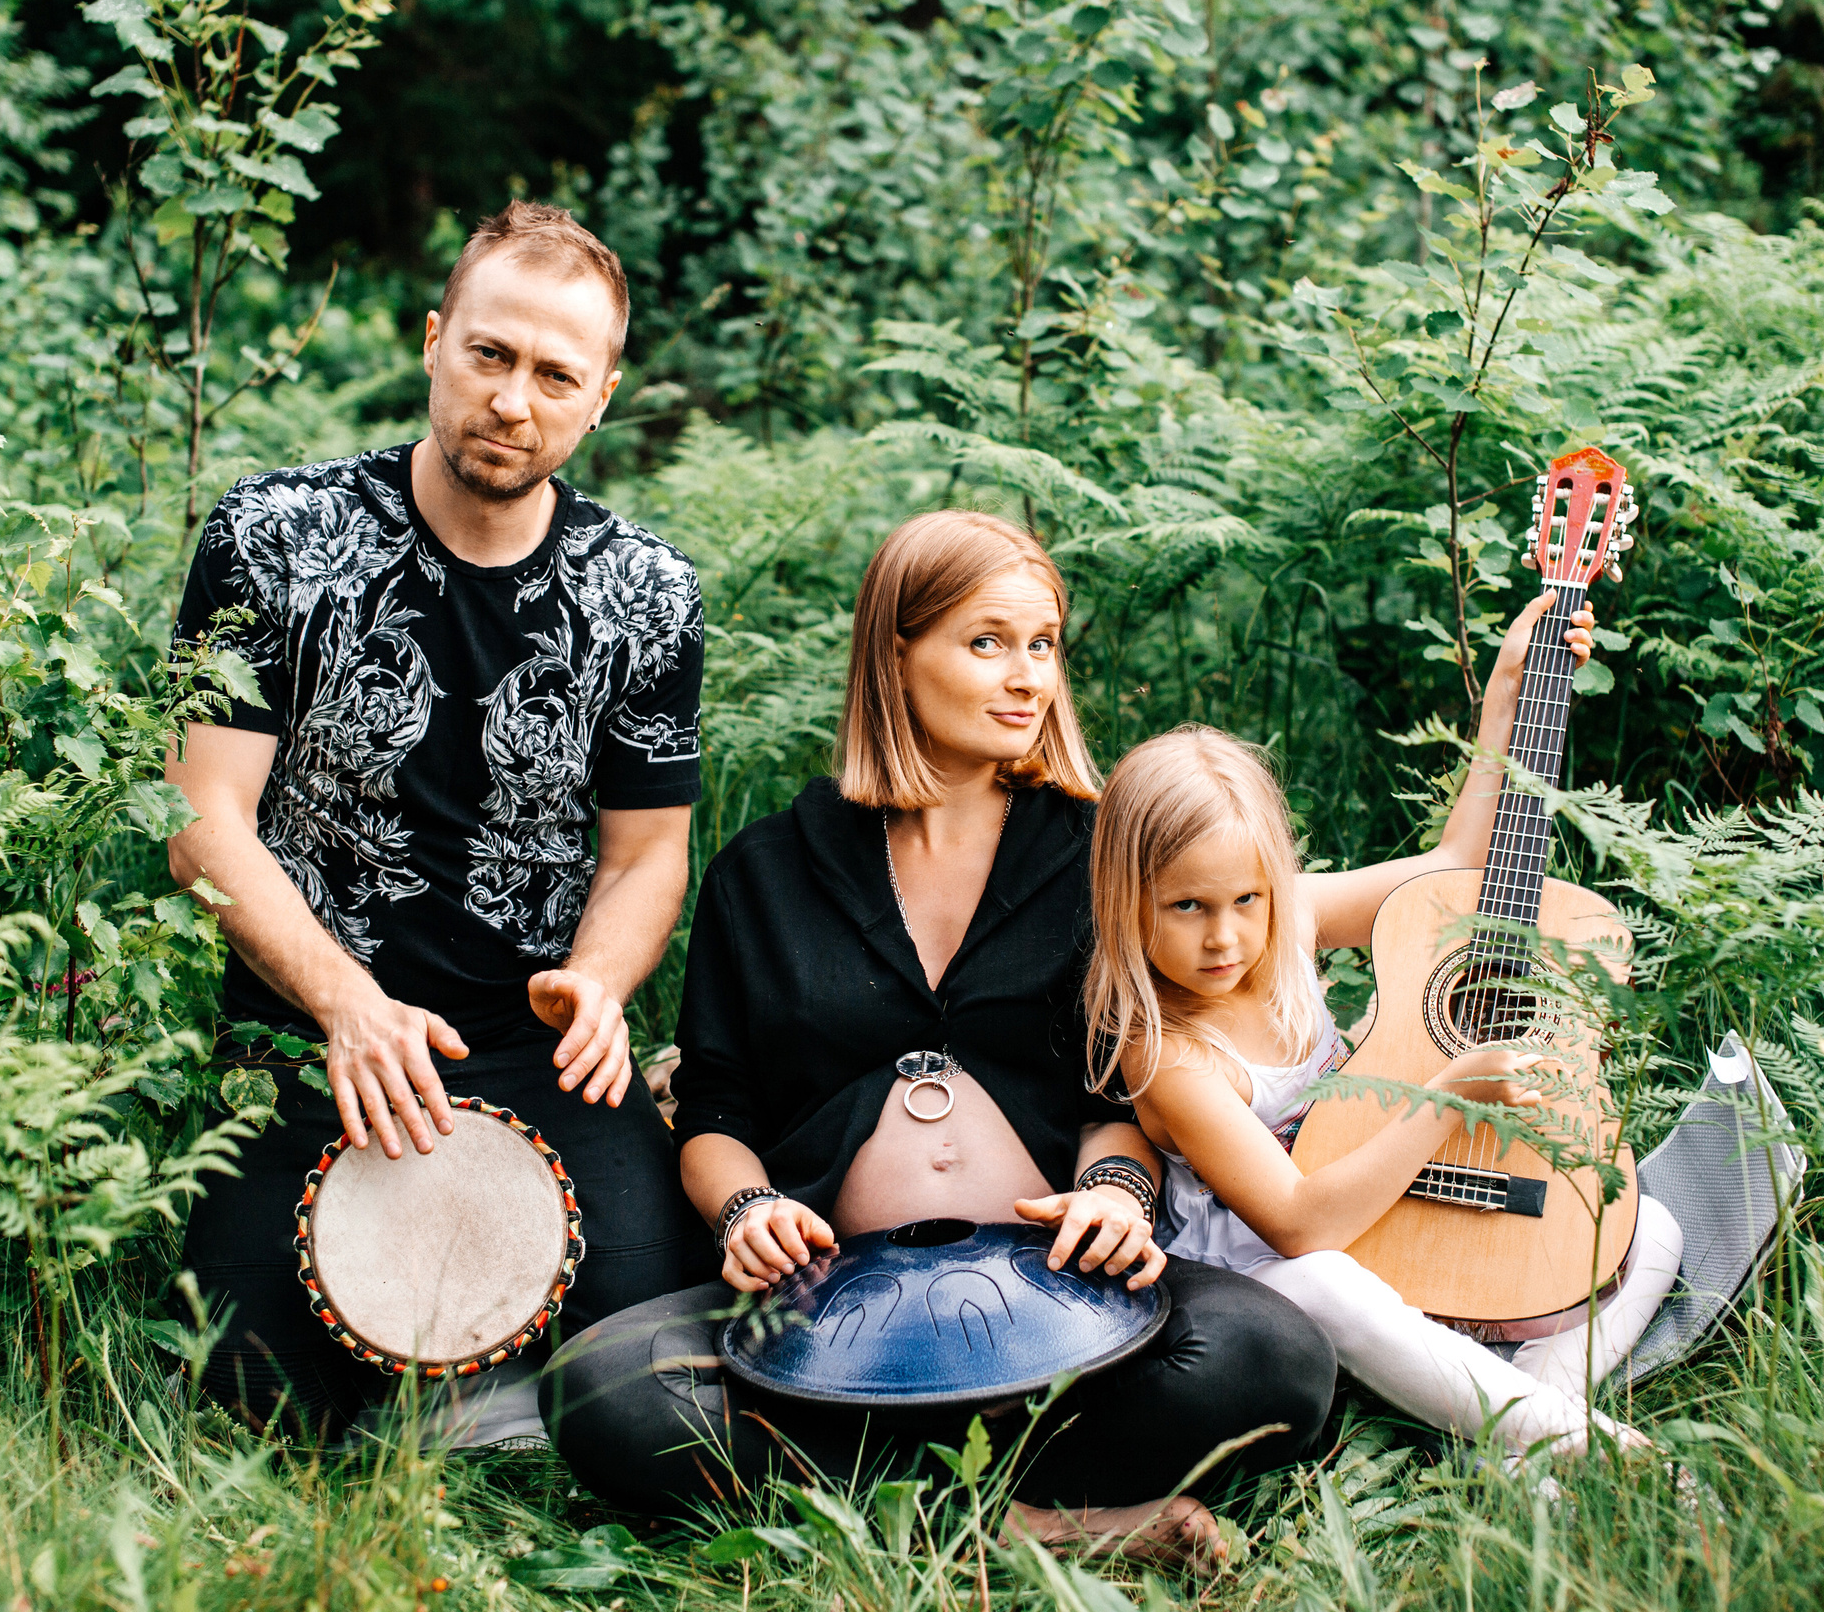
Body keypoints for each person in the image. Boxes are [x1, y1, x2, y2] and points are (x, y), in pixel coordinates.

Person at [539, 512, 1336, 1567]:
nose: (1028, 677)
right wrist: (747, 1209)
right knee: (600, 1390)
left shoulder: (1099, 854)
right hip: (827, 1315)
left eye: (1043, 644)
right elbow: (717, 1108)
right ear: (896, 650)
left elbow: (1119, 1092)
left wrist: (1116, 1197)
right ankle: (1034, 1525)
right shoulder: (765, 872)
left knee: (1274, 1354)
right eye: (987, 642)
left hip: (1068, 1295)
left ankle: (898, 1508)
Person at [164, 202, 711, 1439]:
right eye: (489, 354)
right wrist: (345, 1006)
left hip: (532, 1042)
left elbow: (647, 857)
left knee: (650, 1373)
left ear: (601, 398)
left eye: (555, 375)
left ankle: (471, 1382)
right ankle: (461, 1389)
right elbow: (202, 821)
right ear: (432, 341)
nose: (512, 400)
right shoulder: (274, 537)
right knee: (251, 1396)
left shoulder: (647, 593)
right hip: (309, 1032)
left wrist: (598, 985)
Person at [1081, 601, 1685, 1458]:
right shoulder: (1169, 1052)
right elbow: (1298, 1224)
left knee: (1649, 1231)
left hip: (1380, 1205)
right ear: (1126, 900)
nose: (1225, 937)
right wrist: (1448, 1098)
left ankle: (1519, 1410)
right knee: (1328, 1284)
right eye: (1188, 907)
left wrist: (1506, 695)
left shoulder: (1288, 921)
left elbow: (1452, 867)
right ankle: (1574, 1439)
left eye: (1247, 899)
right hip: (1274, 1271)